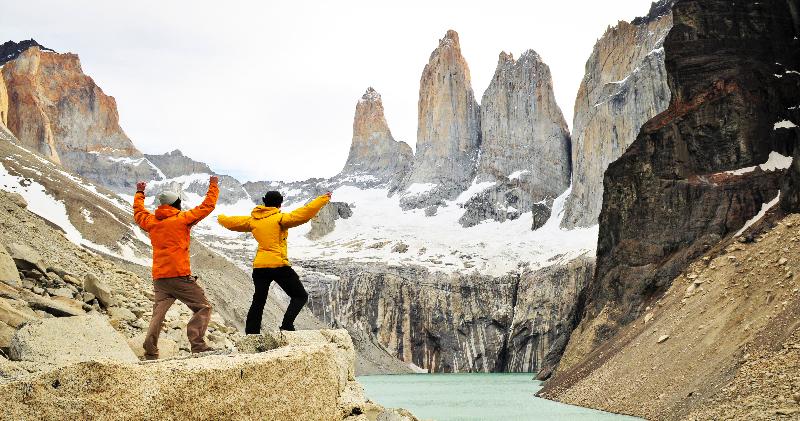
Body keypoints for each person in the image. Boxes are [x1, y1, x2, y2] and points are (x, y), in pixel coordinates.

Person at [217, 190, 331, 333]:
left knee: (258, 300)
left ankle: (252, 333)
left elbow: (232, 222)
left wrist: (220, 218)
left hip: (259, 267)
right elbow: (304, 213)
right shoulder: (281, 218)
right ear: (280, 203)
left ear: (264, 201)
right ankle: (287, 325)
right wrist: (323, 199)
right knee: (300, 296)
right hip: (279, 265)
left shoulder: (253, 220)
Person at [133, 176, 219, 359]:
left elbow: (138, 213)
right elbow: (207, 207)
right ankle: (197, 344)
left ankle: (150, 350)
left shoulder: (151, 221)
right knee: (203, 306)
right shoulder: (182, 219)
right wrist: (213, 185)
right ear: (176, 204)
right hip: (179, 276)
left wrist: (139, 193)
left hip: (160, 278)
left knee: (158, 314)